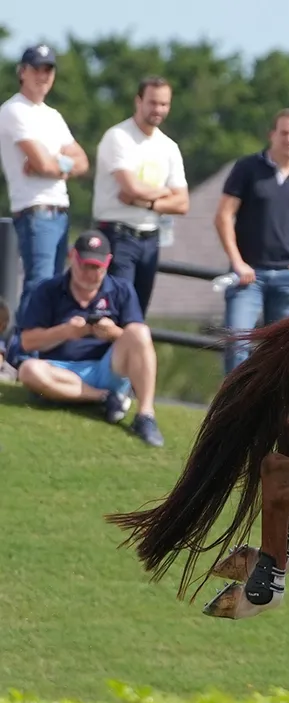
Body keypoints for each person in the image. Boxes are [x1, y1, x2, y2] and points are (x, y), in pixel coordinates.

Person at [12, 230, 163, 446]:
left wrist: (113, 334)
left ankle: (145, 414)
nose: (89, 273)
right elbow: (27, 342)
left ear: (108, 263)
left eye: (96, 268)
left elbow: (138, 341)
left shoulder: (121, 290)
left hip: (106, 368)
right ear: (72, 257)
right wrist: (66, 332)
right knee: (28, 370)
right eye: (84, 265)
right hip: (60, 369)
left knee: (140, 332)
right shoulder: (48, 290)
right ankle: (103, 398)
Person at [214, 108, 289, 373]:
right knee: (237, 346)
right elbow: (223, 216)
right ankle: (233, 412)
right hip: (248, 277)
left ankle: (270, 414)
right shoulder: (247, 168)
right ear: (271, 134)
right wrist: (237, 262)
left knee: (281, 354)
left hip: (288, 279)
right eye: (284, 132)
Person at [0, 44, 90, 313]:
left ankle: (37, 349)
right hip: (35, 209)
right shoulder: (14, 110)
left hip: (59, 211)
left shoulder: (53, 116)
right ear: (22, 72)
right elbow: (40, 163)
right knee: (38, 285)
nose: (43, 75)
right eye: (37, 69)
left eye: (48, 69)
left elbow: (82, 161)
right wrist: (58, 162)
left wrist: (56, 164)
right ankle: (23, 349)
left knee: (54, 287)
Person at [91, 75, 189, 316]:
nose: (158, 109)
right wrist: (166, 192)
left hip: (151, 238)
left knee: (138, 315)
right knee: (116, 312)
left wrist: (146, 202)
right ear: (139, 101)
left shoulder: (169, 147)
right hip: (118, 234)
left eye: (164, 104)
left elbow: (183, 203)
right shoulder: (119, 137)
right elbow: (130, 187)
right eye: (153, 102)